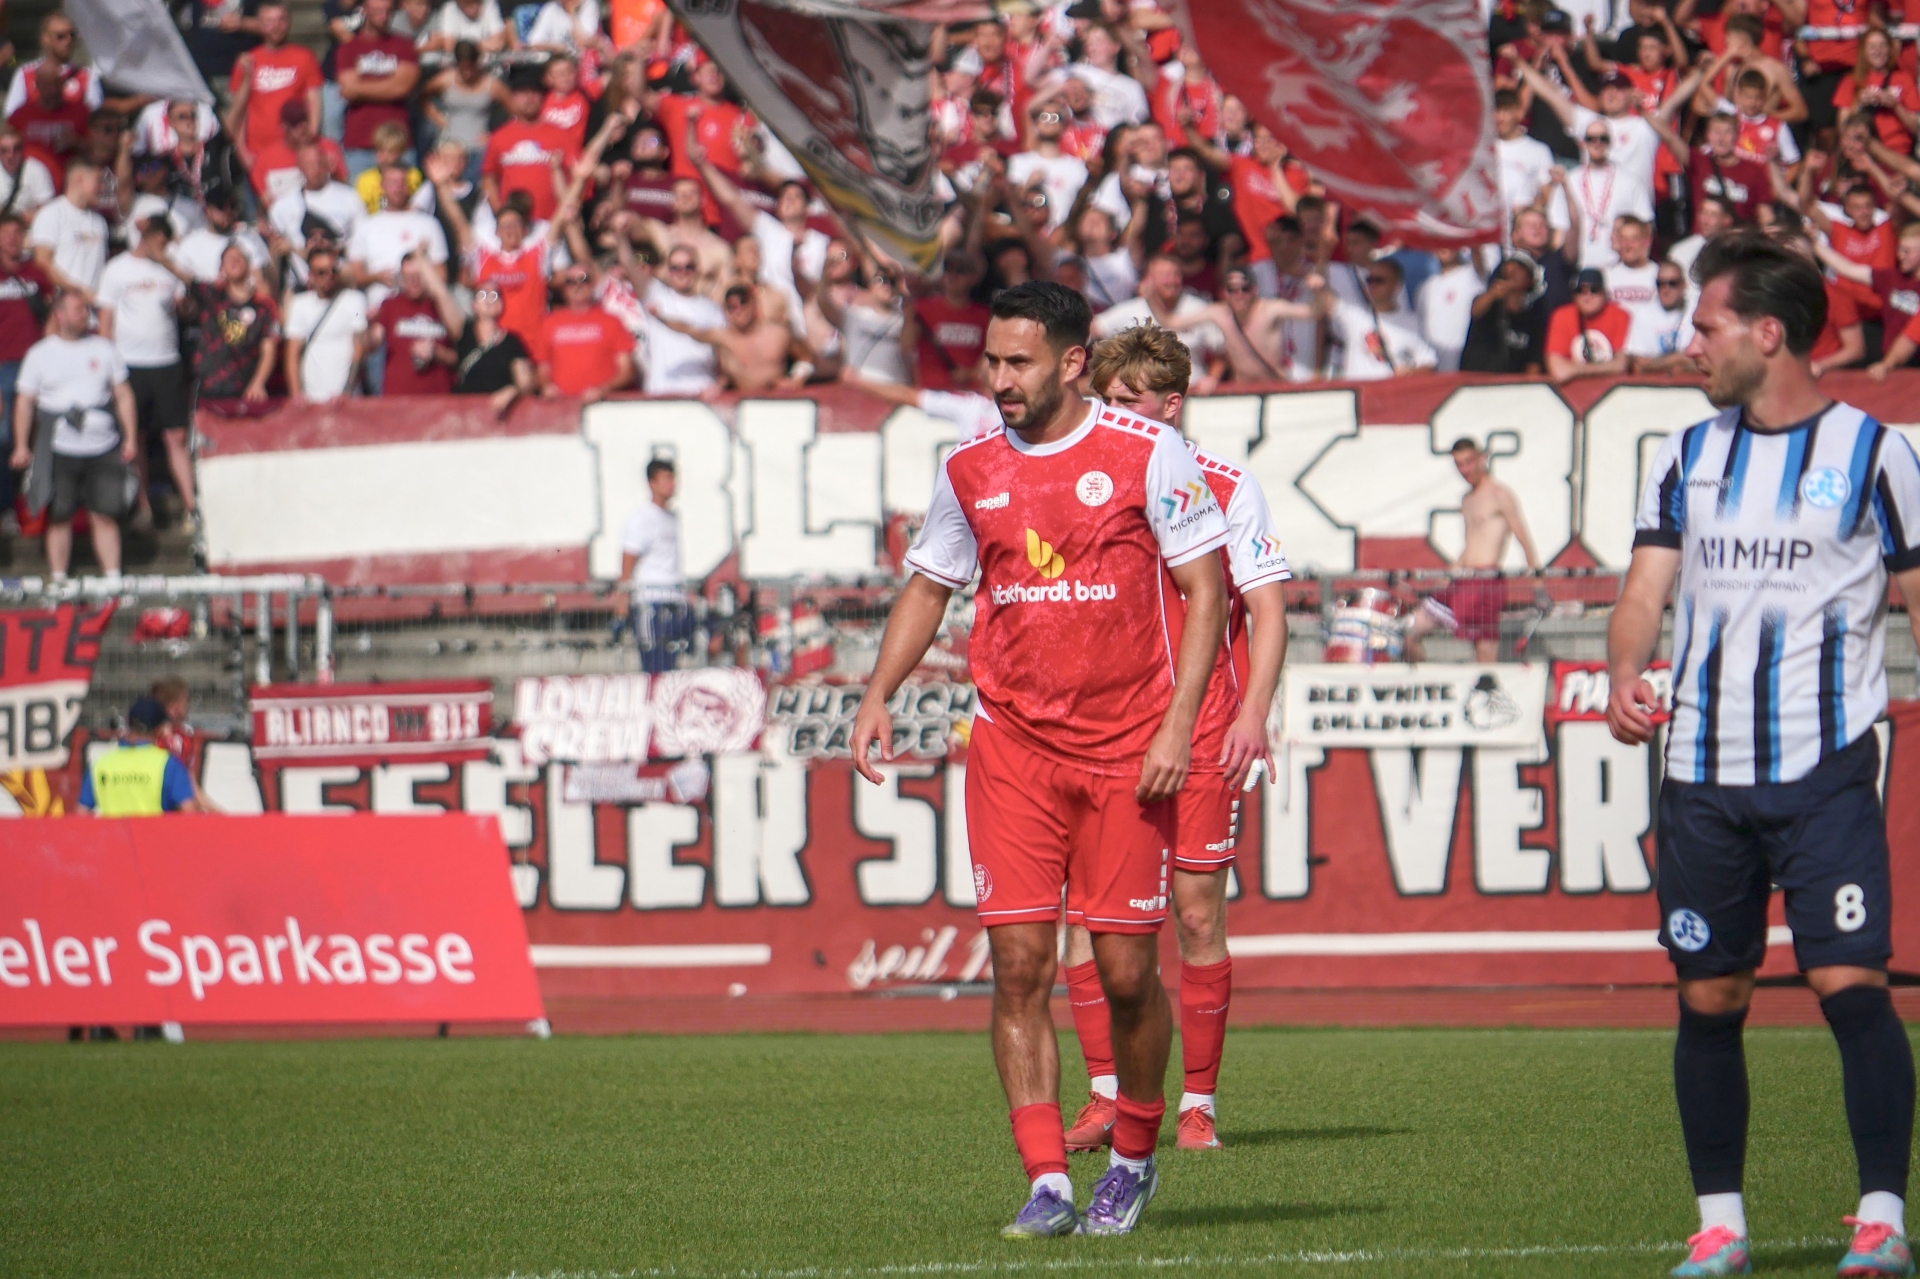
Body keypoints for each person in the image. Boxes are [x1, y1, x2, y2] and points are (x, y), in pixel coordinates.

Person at [849, 281, 1229, 1239]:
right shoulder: (970, 468)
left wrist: (1178, 725)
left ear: (1071, 361)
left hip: (1126, 751)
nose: (1000, 378)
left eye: (1018, 361)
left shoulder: (1148, 451)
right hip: (1012, 749)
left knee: (1129, 974)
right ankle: (1049, 1181)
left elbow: (1206, 589)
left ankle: (1133, 1159)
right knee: (1019, 967)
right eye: (991, 360)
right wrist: (877, 691)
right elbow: (929, 587)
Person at [1606, 230, 1920, 1279]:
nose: (1691, 344)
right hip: (1700, 774)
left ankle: (1881, 1219)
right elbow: (1643, 591)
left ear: (1768, 333)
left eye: (1707, 326)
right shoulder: (1686, 455)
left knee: (1850, 982)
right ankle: (1721, 1227)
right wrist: (1624, 669)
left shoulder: (1876, 454)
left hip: (1826, 768)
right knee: (1710, 998)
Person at [1058, 321, 1290, 1156]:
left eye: (1129, 399)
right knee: (1088, 919)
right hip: (1107, 731)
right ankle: (1104, 1095)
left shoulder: (1227, 486)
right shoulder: (1087, 481)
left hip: (1202, 729)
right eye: (1106, 398)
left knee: (1196, 917)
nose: (1114, 412)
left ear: (1171, 404)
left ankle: (1197, 1105)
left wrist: (1253, 713)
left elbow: (1267, 609)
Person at [10, 288, 138, 579]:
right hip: (58, 448)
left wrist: (130, 437)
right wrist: (21, 445)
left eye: (86, 310)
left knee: (105, 514)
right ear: (60, 315)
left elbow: (124, 395)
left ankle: (112, 580)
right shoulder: (40, 354)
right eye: (79, 310)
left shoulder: (104, 349)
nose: (85, 316)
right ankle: (59, 581)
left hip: (103, 446)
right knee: (59, 515)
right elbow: (25, 402)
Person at [96, 216, 194, 527]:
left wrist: (171, 269)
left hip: (167, 361)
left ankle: (192, 507)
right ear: (146, 236)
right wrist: (108, 368)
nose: (162, 246)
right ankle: (143, 505)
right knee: (134, 436)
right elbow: (105, 322)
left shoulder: (171, 268)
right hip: (130, 364)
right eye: (159, 240)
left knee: (176, 435)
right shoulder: (116, 269)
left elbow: (188, 307)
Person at [1406, 438, 1540, 664]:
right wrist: (1445, 578)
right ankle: (1427, 681)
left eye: (1468, 462)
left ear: (1481, 459)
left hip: (1485, 582)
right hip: (1462, 579)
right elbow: (1470, 546)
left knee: (1484, 652)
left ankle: (1488, 685)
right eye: (1459, 464)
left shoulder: (1499, 495)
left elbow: (1524, 540)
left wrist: (1538, 587)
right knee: (1410, 632)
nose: (1464, 470)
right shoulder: (1467, 499)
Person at [647, 283, 807, 393]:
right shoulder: (723, 337)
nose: (738, 310)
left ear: (754, 304)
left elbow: (807, 357)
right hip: (743, 403)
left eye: (742, 303)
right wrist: (662, 317)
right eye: (731, 306)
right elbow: (689, 329)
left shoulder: (778, 332)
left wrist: (797, 379)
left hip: (779, 401)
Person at [225, 3, 323, 172]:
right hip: (257, 153)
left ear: (289, 22)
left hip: (295, 151)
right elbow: (240, 112)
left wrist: (311, 140)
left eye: (281, 20)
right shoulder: (247, 61)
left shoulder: (304, 57)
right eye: (269, 21)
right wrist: (242, 152)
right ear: (259, 24)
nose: (276, 26)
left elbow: (314, 103)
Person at [1548, 124, 1656, 271]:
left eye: (1602, 138)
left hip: (1618, 267)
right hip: (1578, 266)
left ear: (1610, 142)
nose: (1597, 143)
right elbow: (1559, 230)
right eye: (1591, 139)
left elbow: (1645, 229)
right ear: (1583, 143)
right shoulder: (1569, 181)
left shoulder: (1631, 181)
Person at [336, 0, 421, 180]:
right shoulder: (348, 49)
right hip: (359, 144)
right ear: (364, 11)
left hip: (399, 144)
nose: (383, 16)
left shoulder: (404, 46)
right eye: (377, 11)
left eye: (387, 11)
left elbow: (402, 87)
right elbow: (348, 88)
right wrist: (390, 84)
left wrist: (361, 87)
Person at [620, 457, 688, 674]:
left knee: (671, 666)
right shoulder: (642, 518)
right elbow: (629, 558)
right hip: (651, 602)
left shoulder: (671, 517)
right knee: (654, 665)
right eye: (666, 479)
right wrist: (622, 598)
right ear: (652, 483)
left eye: (673, 478)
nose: (672, 484)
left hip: (673, 600)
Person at [188, 242, 279, 403]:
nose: (234, 262)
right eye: (228, 259)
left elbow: (269, 348)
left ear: (248, 265)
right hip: (209, 387)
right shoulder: (211, 296)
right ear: (222, 268)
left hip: (245, 389)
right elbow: (183, 275)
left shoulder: (263, 305)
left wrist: (258, 383)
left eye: (238, 258)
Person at [79, 697, 200, 816]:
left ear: (128, 723)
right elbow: (189, 813)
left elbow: (81, 814)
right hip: (154, 830)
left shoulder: (100, 764)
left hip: (111, 830)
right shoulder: (169, 764)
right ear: (159, 729)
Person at [283, 246, 369, 402]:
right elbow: (292, 353)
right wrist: (296, 395)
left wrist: (346, 392)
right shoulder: (300, 304)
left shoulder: (354, 300)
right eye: (321, 272)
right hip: (311, 399)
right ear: (310, 275)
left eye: (333, 271)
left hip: (345, 399)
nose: (328, 277)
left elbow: (359, 349)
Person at [1329, 258, 1438, 381]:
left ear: (1396, 286)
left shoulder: (1411, 322)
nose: (1372, 285)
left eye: (1379, 280)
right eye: (1369, 280)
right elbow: (1324, 298)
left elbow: (1429, 362)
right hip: (1360, 390)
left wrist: (1410, 373)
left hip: (1391, 391)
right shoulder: (1354, 314)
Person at [536, 264, 633, 400]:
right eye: (570, 282)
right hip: (562, 403)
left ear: (593, 284)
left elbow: (626, 370)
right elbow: (542, 369)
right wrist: (547, 386)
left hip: (600, 403)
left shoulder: (612, 322)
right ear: (564, 287)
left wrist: (603, 389)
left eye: (583, 280)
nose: (577, 286)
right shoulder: (550, 322)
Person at [370, 253, 461, 394]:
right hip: (397, 397)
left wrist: (436, 352)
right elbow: (372, 345)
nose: (413, 281)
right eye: (408, 277)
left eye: (418, 276)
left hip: (438, 397)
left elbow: (460, 357)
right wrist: (369, 324)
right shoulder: (390, 304)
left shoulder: (442, 306)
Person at [905, 251, 990, 390]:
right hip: (931, 391)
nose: (952, 276)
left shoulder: (984, 315)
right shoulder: (922, 308)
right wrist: (908, 318)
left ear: (973, 278)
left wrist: (971, 373)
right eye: (947, 270)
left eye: (960, 271)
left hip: (969, 393)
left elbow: (989, 354)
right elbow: (906, 347)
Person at [28, 158, 107, 300]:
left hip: (93, 306)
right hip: (63, 305)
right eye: (98, 181)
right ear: (79, 178)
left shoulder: (100, 222)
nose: (102, 188)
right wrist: (78, 293)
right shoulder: (51, 214)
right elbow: (42, 262)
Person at [453, 285, 535, 415]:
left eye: (494, 295)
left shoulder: (512, 342)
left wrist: (512, 390)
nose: (488, 300)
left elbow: (525, 382)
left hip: (498, 412)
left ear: (501, 305)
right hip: (465, 413)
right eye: (482, 295)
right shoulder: (462, 333)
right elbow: (441, 295)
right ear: (474, 305)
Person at [1546, 267, 1633, 382]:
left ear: (1604, 294)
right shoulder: (1562, 316)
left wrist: (1577, 369)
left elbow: (1621, 365)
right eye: (1580, 291)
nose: (1587, 296)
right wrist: (1605, 368)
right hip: (1574, 390)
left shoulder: (1620, 315)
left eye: (1594, 290)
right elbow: (1559, 371)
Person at [1460, 257, 1544, 375]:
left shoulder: (1531, 321)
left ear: (1529, 280)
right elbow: (1476, 311)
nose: (1512, 271)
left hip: (1509, 384)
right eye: (1509, 266)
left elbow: (1533, 364)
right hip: (1475, 379)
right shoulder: (1490, 306)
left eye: (1520, 268)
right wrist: (1492, 294)